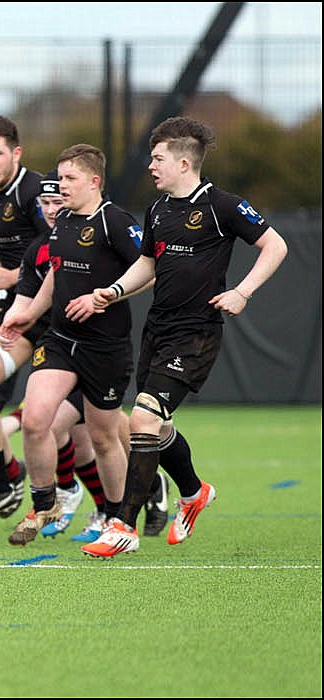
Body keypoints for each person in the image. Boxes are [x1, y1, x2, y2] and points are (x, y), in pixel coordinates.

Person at [79, 117, 288, 558]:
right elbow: (147, 264)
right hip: (158, 329)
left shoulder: (223, 206)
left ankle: (123, 525)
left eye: (158, 158)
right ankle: (194, 493)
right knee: (157, 424)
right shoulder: (157, 209)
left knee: (142, 419)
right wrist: (113, 291)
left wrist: (243, 292)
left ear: (184, 162)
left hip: (196, 333)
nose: (151, 166)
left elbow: (276, 246)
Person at [0, 144, 140, 546]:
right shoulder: (62, 222)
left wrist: (107, 296)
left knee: (102, 437)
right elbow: (55, 275)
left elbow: (149, 269)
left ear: (94, 181)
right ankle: (45, 503)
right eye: (59, 178)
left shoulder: (115, 221)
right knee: (35, 419)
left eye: (69, 178)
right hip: (61, 339)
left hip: (105, 346)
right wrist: (30, 313)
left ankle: (119, 520)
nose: (61, 186)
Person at [0, 116, 54, 521]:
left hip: (59, 314)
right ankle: (5, 482)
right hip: (17, 313)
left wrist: (11, 277)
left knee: (91, 427)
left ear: (16, 153)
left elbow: (59, 252)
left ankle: (151, 482)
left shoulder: (36, 192)